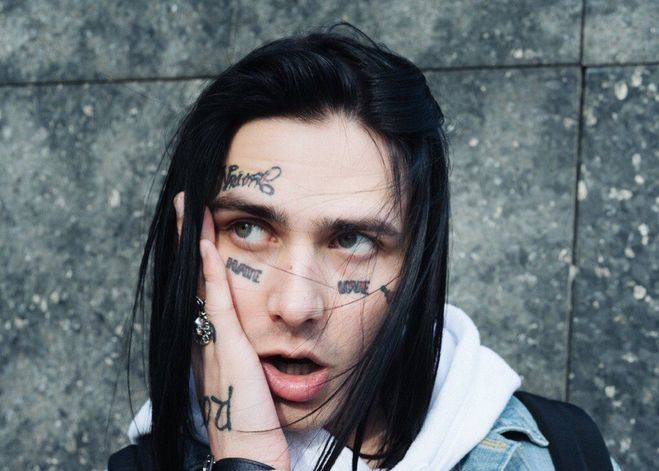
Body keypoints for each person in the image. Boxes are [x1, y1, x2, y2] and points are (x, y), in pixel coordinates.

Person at [109, 23, 619, 471]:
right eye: (249, 229)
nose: (297, 306)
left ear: (416, 261)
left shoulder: (562, 455)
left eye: (352, 240)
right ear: (189, 242)